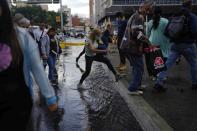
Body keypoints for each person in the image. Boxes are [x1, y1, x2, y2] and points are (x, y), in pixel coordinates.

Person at [0, 0, 57, 130]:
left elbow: (36, 67)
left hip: (17, 104)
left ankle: (53, 78)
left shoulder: (21, 35)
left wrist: (50, 97)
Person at [154, 0, 197, 92]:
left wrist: (174, 38)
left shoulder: (175, 15)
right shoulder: (192, 16)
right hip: (188, 45)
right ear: (190, 6)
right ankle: (195, 83)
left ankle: (159, 83)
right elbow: (195, 31)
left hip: (175, 45)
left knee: (167, 65)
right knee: (193, 63)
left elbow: (166, 32)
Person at [121, 1, 153, 95]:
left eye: (149, 10)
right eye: (147, 10)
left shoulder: (134, 16)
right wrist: (147, 41)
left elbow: (136, 32)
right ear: (142, 7)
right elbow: (136, 33)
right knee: (138, 67)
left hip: (129, 46)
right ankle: (132, 89)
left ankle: (137, 85)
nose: (148, 12)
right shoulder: (138, 17)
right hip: (132, 47)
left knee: (138, 67)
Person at [146, 6, 171, 80]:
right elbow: (170, 32)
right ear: (161, 13)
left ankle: (155, 75)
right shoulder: (166, 21)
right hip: (164, 43)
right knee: (163, 58)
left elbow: (147, 35)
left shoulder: (150, 22)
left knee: (155, 60)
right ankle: (161, 75)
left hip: (153, 43)